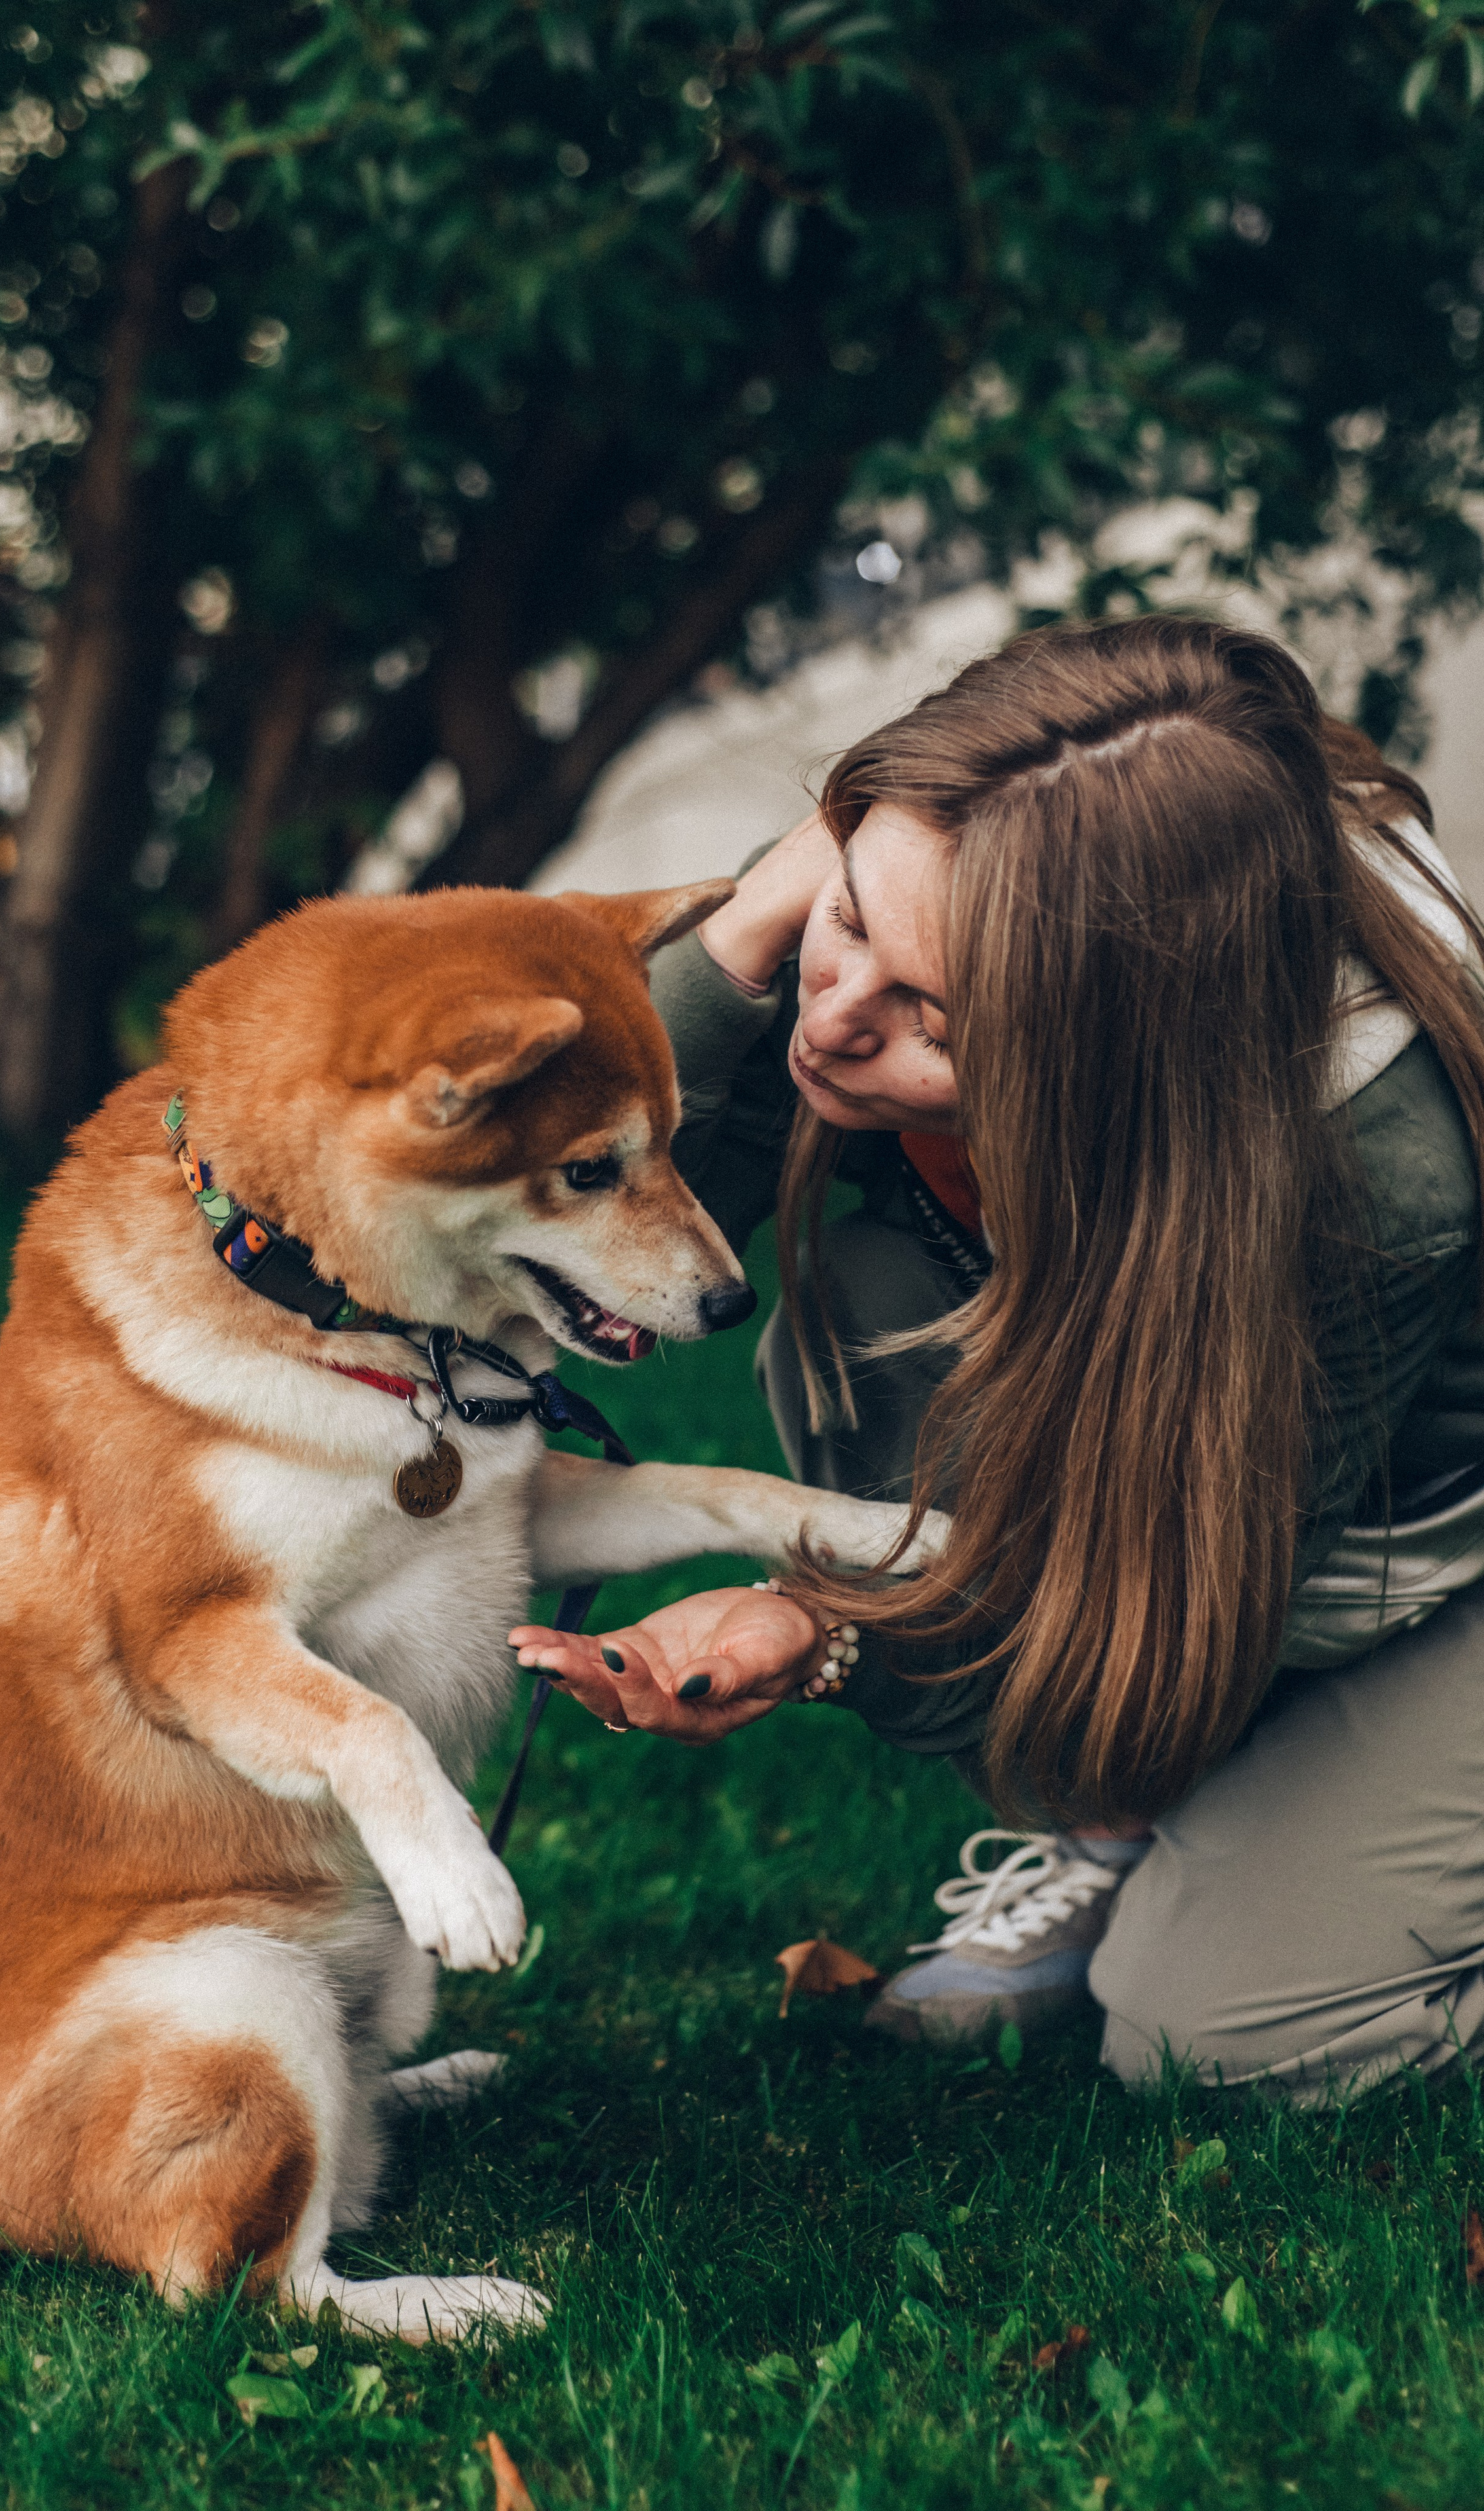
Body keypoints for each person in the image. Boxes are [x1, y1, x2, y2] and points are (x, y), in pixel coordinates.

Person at [511, 614, 1484, 2103]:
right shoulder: (944, 895)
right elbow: (583, 1193)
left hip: (1421, 1587)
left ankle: (1179, 1803)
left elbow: (1146, 1608)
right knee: (884, 1284)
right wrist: (747, 934)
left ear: (1129, 1064)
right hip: (1237, 1564)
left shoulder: (1369, 1177)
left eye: (930, 1019)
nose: (830, 1028)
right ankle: (1132, 1819)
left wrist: (819, 1625)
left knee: (1225, 2035)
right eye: (842, 921)